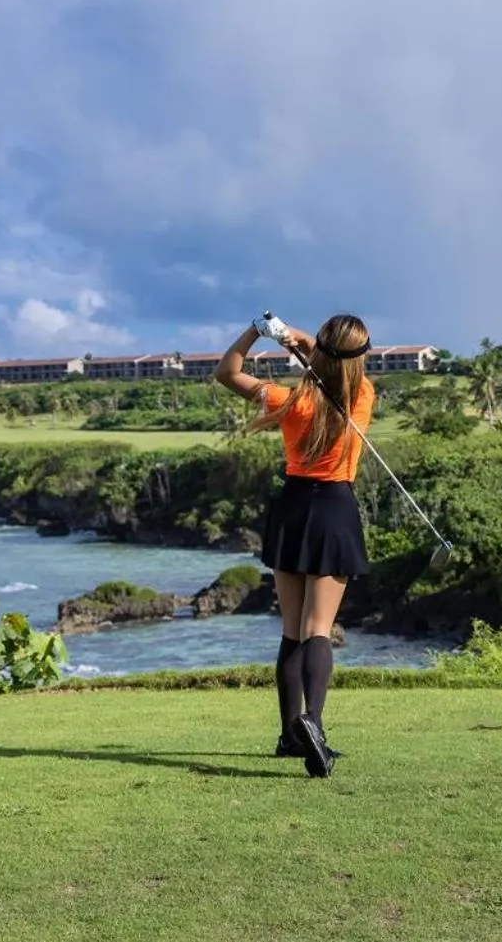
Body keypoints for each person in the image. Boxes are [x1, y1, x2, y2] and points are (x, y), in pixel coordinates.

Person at [214, 312, 375, 778]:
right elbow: (343, 368)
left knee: (292, 630)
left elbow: (227, 372)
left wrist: (258, 332)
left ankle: (290, 733)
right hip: (334, 510)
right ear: (359, 358)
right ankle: (313, 727)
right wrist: (308, 346)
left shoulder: (289, 399)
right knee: (318, 629)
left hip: (292, 507)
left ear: (323, 352)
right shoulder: (363, 396)